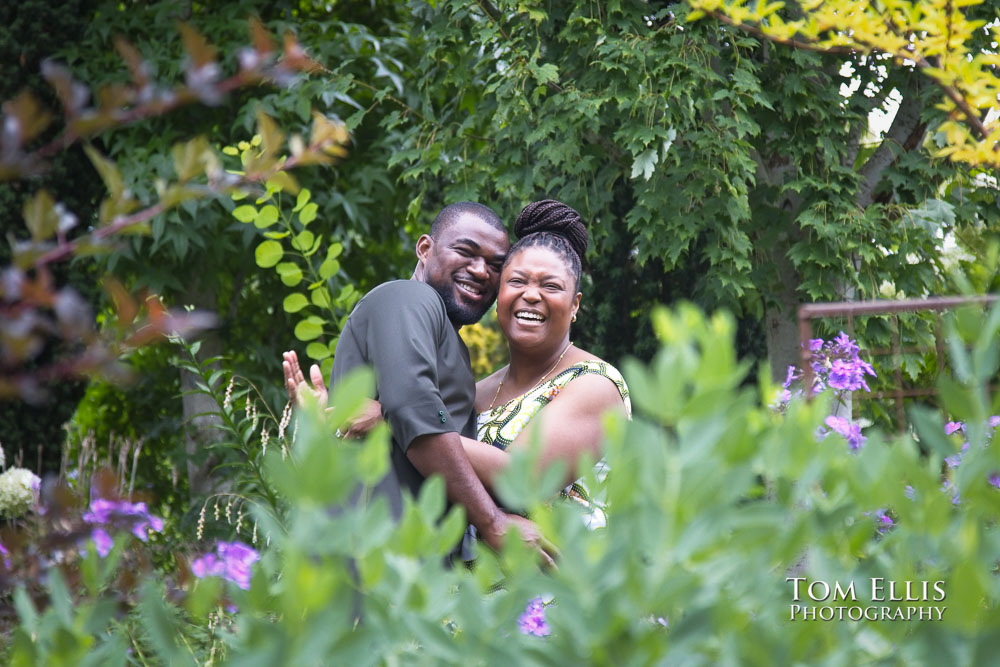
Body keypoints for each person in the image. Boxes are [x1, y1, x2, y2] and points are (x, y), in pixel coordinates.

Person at [329, 200, 631, 525]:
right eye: (517, 281)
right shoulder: (479, 391)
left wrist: (395, 423)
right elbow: (441, 472)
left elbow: (524, 478)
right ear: (498, 296)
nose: (531, 294)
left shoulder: (594, 384)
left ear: (575, 305)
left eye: (551, 286)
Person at [283, 201, 553, 563]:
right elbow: (414, 410)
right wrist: (494, 523)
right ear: (425, 249)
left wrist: (381, 419)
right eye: (466, 251)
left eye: (495, 265)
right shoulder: (408, 297)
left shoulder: (448, 339)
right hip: (374, 563)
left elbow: (409, 421)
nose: (481, 271)